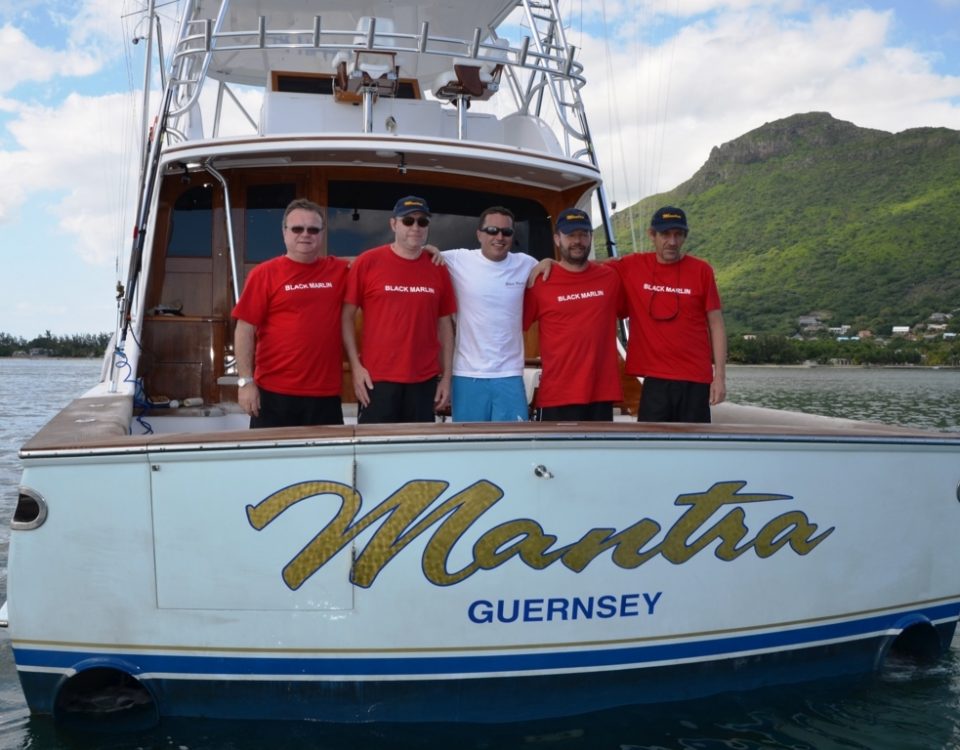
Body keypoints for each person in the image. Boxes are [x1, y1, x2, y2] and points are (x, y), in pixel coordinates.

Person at [232, 198, 349, 427]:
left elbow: (382, 262)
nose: (305, 234)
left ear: (322, 234)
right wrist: (245, 382)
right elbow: (244, 328)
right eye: (297, 228)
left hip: (325, 396)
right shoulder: (264, 274)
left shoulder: (339, 269)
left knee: (325, 463)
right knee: (271, 463)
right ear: (284, 232)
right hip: (274, 395)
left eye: (313, 229)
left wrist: (425, 250)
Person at [341, 195, 457, 423]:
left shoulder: (437, 266)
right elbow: (346, 318)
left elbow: (445, 326)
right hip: (377, 379)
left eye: (422, 222)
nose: (415, 227)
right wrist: (355, 367)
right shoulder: (368, 262)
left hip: (423, 380)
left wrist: (446, 378)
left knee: (415, 454)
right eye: (408, 221)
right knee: (374, 451)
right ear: (393, 224)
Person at [614, 206, 726, 422]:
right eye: (665, 234)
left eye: (678, 235)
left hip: (696, 379)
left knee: (694, 450)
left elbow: (717, 324)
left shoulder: (702, 270)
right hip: (655, 379)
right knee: (653, 450)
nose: (672, 242)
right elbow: (587, 268)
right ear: (652, 235)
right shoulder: (632, 265)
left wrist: (719, 377)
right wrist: (548, 263)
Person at [523, 207, 625, 421]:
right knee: (555, 456)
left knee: (599, 455)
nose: (577, 241)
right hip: (557, 396)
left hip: (601, 394)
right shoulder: (540, 281)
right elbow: (515, 326)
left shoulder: (610, 277)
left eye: (583, 234)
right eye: (570, 235)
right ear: (557, 239)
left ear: (591, 237)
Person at [441, 206, 538, 422]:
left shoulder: (527, 264)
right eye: (492, 230)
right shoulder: (456, 259)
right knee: (468, 446)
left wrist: (550, 261)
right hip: (467, 375)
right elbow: (420, 256)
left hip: (510, 375)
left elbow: (555, 270)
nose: (499, 237)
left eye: (507, 232)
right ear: (479, 234)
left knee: (513, 446)